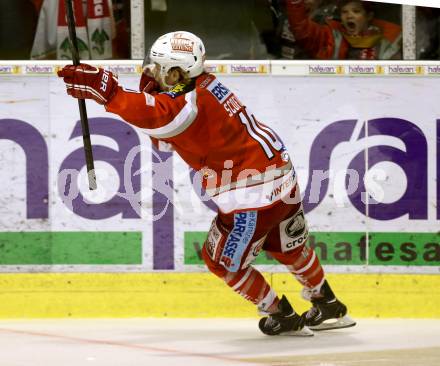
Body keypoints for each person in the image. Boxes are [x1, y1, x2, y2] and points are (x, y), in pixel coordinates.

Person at [57, 31, 356, 335]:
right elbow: (165, 137)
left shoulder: (187, 103)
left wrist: (112, 94)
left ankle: (281, 315)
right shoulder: (204, 84)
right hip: (280, 181)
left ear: (177, 72)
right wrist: (143, 93)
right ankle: (328, 304)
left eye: (158, 66)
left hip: (252, 198)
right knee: (288, 246)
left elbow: (161, 118)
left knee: (222, 262)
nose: (150, 69)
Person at [286, 0, 402, 59]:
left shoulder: (385, 45)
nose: (349, 16)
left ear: (369, 16)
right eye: (344, 12)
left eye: (356, 11)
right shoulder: (331, 35)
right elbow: (302, 31)